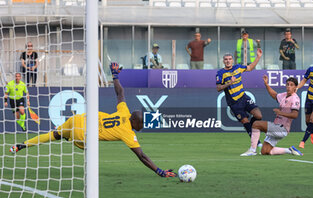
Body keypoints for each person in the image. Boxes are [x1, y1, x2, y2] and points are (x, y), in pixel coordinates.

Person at [10, 63, 177, 178]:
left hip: (79, 118)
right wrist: (159, 171)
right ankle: (91, 180)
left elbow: (120, 93)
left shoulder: (124, 111)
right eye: (142, 123)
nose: (143, 126)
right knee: (90, 149)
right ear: (135, 122)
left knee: (53, 135)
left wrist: (115, 75)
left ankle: (22, 145)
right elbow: (142, 156)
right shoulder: (127, 132)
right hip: (83, 134)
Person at [240, 75, 303, 156]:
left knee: (256, 124)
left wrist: (281, 113)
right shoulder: (284, 95)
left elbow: (295, 115)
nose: (288, 87)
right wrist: (266, 84)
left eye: (291, 85)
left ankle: (252, 150)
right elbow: (274, 95)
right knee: (265, 151)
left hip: (282, 129)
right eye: (287, 84)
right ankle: (290, 150)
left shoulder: (295, 98)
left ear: (295, 87)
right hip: (277, 127)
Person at [216, 49, 263, 150]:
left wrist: (258, 57)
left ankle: (251, 127)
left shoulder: (238, 67)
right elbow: (218, 88)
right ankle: (257, 143)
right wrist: (229, 83)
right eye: (226, 59)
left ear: (232, 60)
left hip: (243, 97)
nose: (228, 61)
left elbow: (250, 68)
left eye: (229, 59)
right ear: (223, 61)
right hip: (234, 103)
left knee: (258, 115)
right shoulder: (220, 73)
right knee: (245, 122)